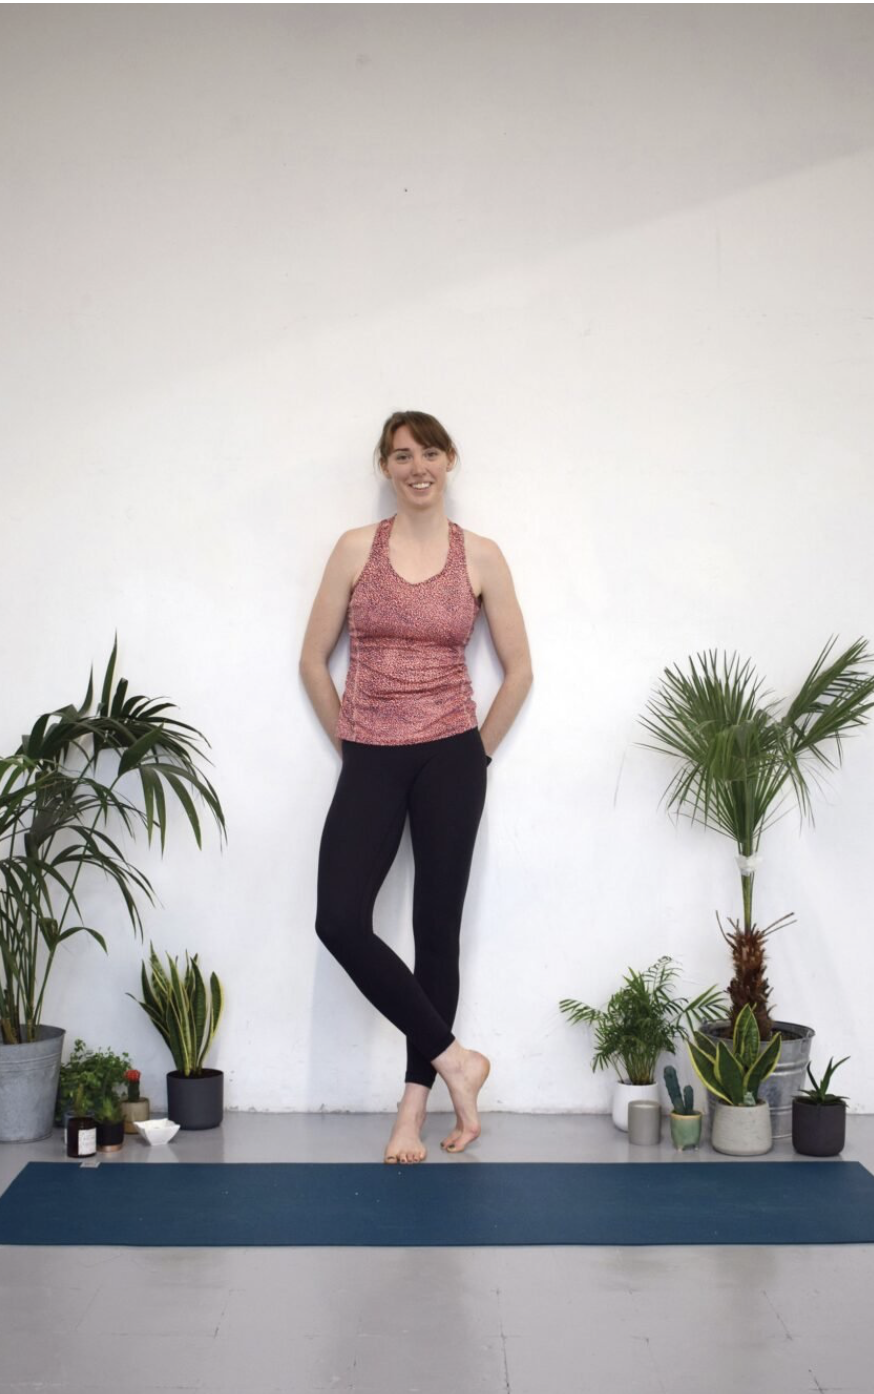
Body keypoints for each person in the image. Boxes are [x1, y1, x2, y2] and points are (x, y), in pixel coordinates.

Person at [299, 410, 532, 1163]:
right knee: (338, 919)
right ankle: (458, 1060)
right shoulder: (353, 551)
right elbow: (311, 661)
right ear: (385, 466)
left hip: (449, 758)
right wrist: (352, 742)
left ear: (449, 461)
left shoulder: (483, 558)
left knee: (436, 934)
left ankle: (411, 1115)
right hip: (370, 751)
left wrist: (476, 755)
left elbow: (519, 670)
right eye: (402, 455)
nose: (417, 466)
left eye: (429, 452)